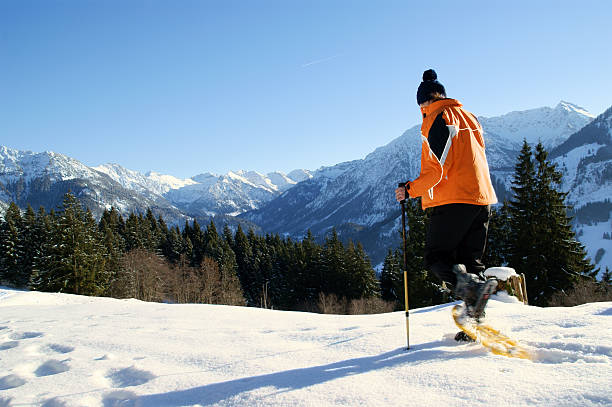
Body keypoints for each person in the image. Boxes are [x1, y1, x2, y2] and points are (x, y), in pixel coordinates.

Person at [395, 69, 498, 319]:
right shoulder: (469, 117)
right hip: (481, 198)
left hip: (453, 199)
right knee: (471, 264)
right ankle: (476, 323)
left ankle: (472, 292)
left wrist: (409, 190)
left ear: (425, 102)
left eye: (421, 105)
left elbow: (437, 170)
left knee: (436, 256)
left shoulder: (436, 119)